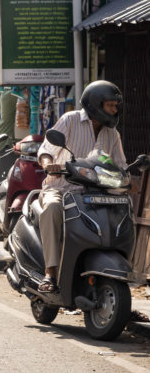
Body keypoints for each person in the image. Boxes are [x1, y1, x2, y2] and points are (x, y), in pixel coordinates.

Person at [35, 80, 127, 293]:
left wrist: (128, 180)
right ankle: (50, 272)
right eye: (110, 105)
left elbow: (120, 165)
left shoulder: (112, 134)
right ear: (96, 104)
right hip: (60, 189)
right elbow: (46, 149)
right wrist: (49, 165)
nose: (115, 110)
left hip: (94, 195)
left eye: (116, 106)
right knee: (52, 208)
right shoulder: (71, 120)